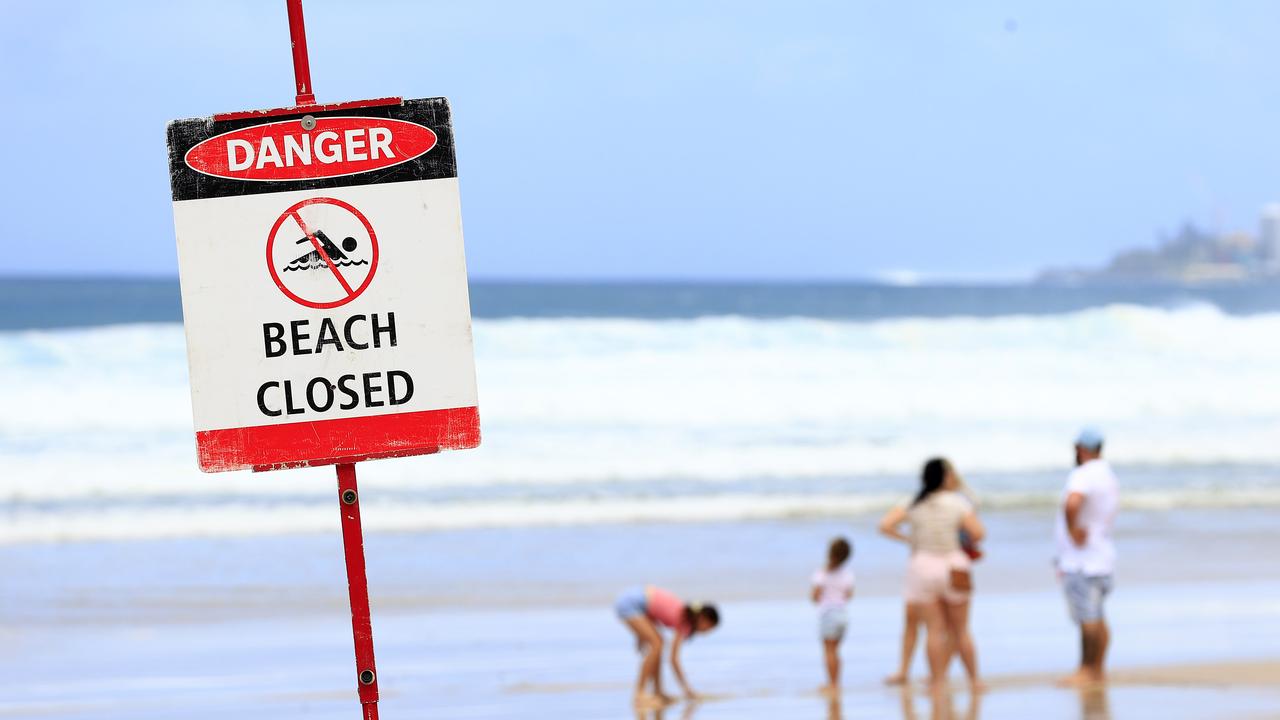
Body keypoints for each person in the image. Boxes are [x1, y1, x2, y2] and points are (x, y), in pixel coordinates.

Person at [879, 458, 986, 692]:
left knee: (934, 630)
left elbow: (885, 525)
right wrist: (961, 538)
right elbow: (978, 533)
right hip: (954, 565)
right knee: (961, 630)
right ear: (945, 476)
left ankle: (936, 682)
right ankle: (975, 681)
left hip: (922, 567)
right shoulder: (956, 502)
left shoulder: (913, 502)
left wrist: (909, 540)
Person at [1055, 427, 1120, 687]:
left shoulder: (1083, 474)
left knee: (1088, 619)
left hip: (1082, 560)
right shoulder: (1107, 474)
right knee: (1098, 616)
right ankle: (1098, 669)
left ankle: (1086, 669)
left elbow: (1072, 502)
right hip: (1102, 555)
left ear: (1080, 449)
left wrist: (1072, 529)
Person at [614, 585, 720, 708]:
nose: (707, 632)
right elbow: (674, 660)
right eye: (709, 627)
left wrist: (641, 635)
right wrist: (687, 689)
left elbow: (654, 610)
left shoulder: (682, 612)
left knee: (658, 644)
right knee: (657, 645)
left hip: (637, 600)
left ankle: (658, 692)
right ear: (703, 619)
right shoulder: (684, 621)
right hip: (632, 603)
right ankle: (639, 694)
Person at [811, 536, 855, 696]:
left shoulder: (822, 573)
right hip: (843, 615)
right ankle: (836, 682)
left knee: (829, 651)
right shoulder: (847, 574)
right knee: (836, 651)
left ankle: (832, 684)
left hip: (828, 614)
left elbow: (814, 595)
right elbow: (849, 594)